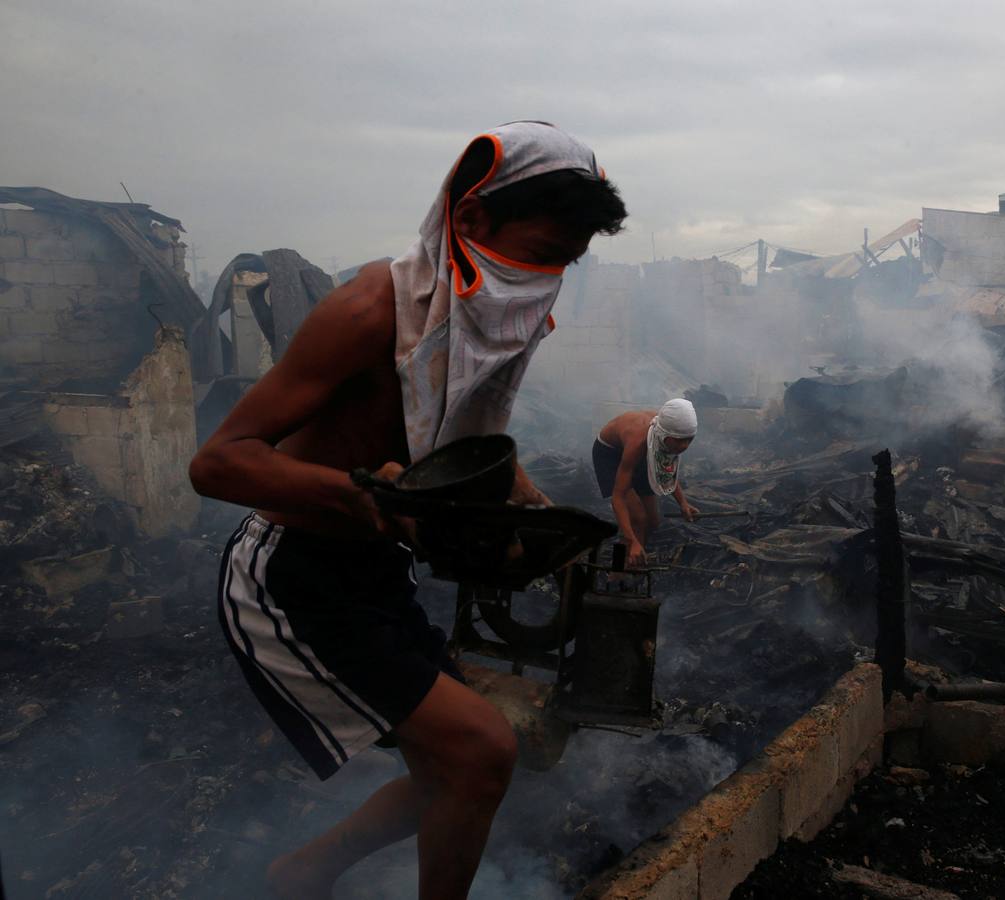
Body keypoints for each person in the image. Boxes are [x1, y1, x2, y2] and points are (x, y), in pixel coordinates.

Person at [188, 122, 627, 899]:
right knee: (482, 752)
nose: (545, 277)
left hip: (375, 570)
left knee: (451, 773)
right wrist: (365, 494)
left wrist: (524, 504)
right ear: (469, 218)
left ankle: (303, 873)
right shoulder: (369, 309)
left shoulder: (487, 315)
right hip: (289, 576)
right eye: (538, 251)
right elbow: (218, 463)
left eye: (565, 261)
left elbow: (463, 432)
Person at [593, 399, 700, 567]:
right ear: (664, 435)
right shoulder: (638, 442)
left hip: (642, 452)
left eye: (689, 440)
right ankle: (619, 570)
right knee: (638, 518)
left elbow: (666, 472)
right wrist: (632, 540)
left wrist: (683, 503)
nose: (684, 446)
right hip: (611, 454)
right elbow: (618, 497)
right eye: (679, 441)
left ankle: (636, 554)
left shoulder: (668, 432)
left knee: (652, 521)